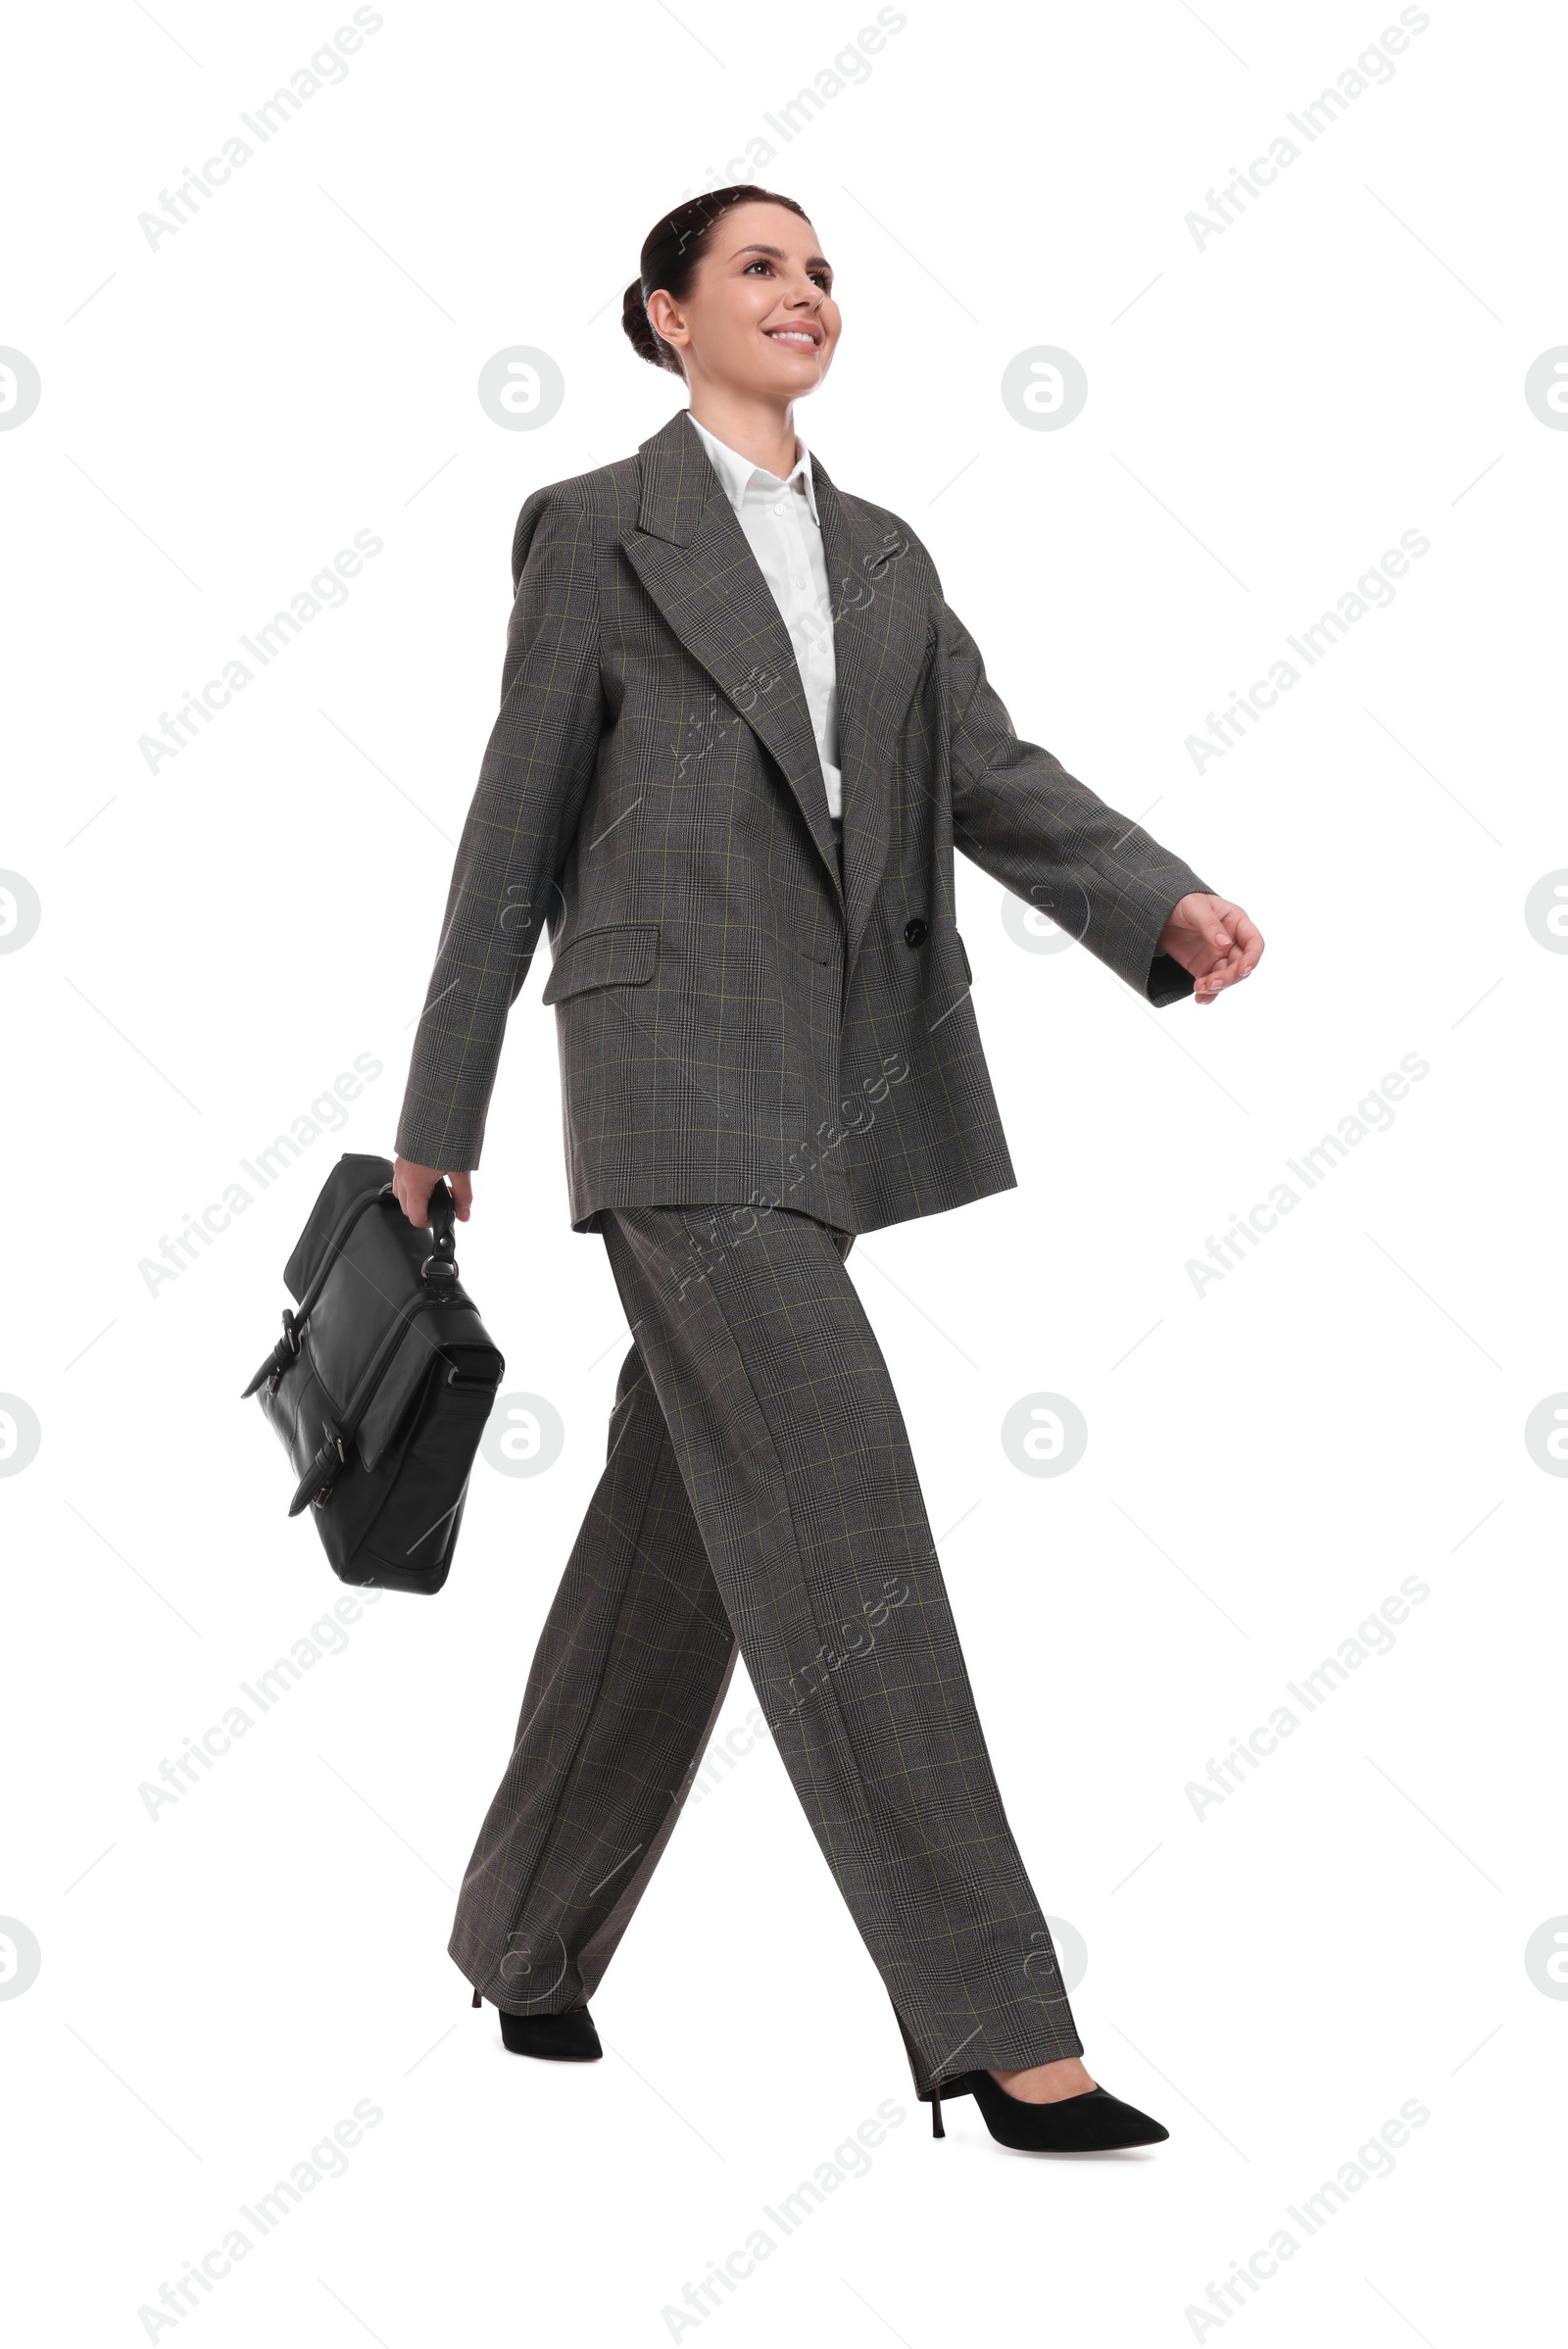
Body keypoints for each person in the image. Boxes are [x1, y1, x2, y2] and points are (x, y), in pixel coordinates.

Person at [391, 185, 1263, 2154]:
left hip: (825, 1101)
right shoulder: (597, 532)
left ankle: (523, 1936)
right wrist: (432, 1122)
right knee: (840, 1498)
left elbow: (986, 773)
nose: (803, 294)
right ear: (662, 313)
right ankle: (997, 2023)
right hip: (667, 1081)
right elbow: (506, 835)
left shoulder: (879, 554)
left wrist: (1156, 897)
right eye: (758, 267)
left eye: (822, 270)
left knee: (682, 1530)